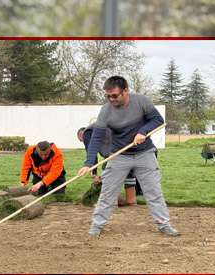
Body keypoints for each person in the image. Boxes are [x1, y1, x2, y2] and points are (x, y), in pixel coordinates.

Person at [76, 76, 178, 237]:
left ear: (125, 91)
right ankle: (97, 225)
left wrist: (142, 132)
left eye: (115, 95)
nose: (111, 99)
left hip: (145, 153)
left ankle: (164, 224)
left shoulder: (141, 101)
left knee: (154, 191)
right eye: (108, 96)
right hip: (119, 155)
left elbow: (158, 120)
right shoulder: (106, 110)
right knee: (107, 193)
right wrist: (88, 163)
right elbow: (96, 137)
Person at [78, 125, 144, 206]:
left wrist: (94, 174)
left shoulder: (87, 133)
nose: (83, 142)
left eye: (81, 141)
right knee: (128, 174)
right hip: (129, 150)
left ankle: (113, 203)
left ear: (81, 135)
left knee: (109, 175)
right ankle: (131, 201)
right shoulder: (110, 124)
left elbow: (92, 153)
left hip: (114, 152)